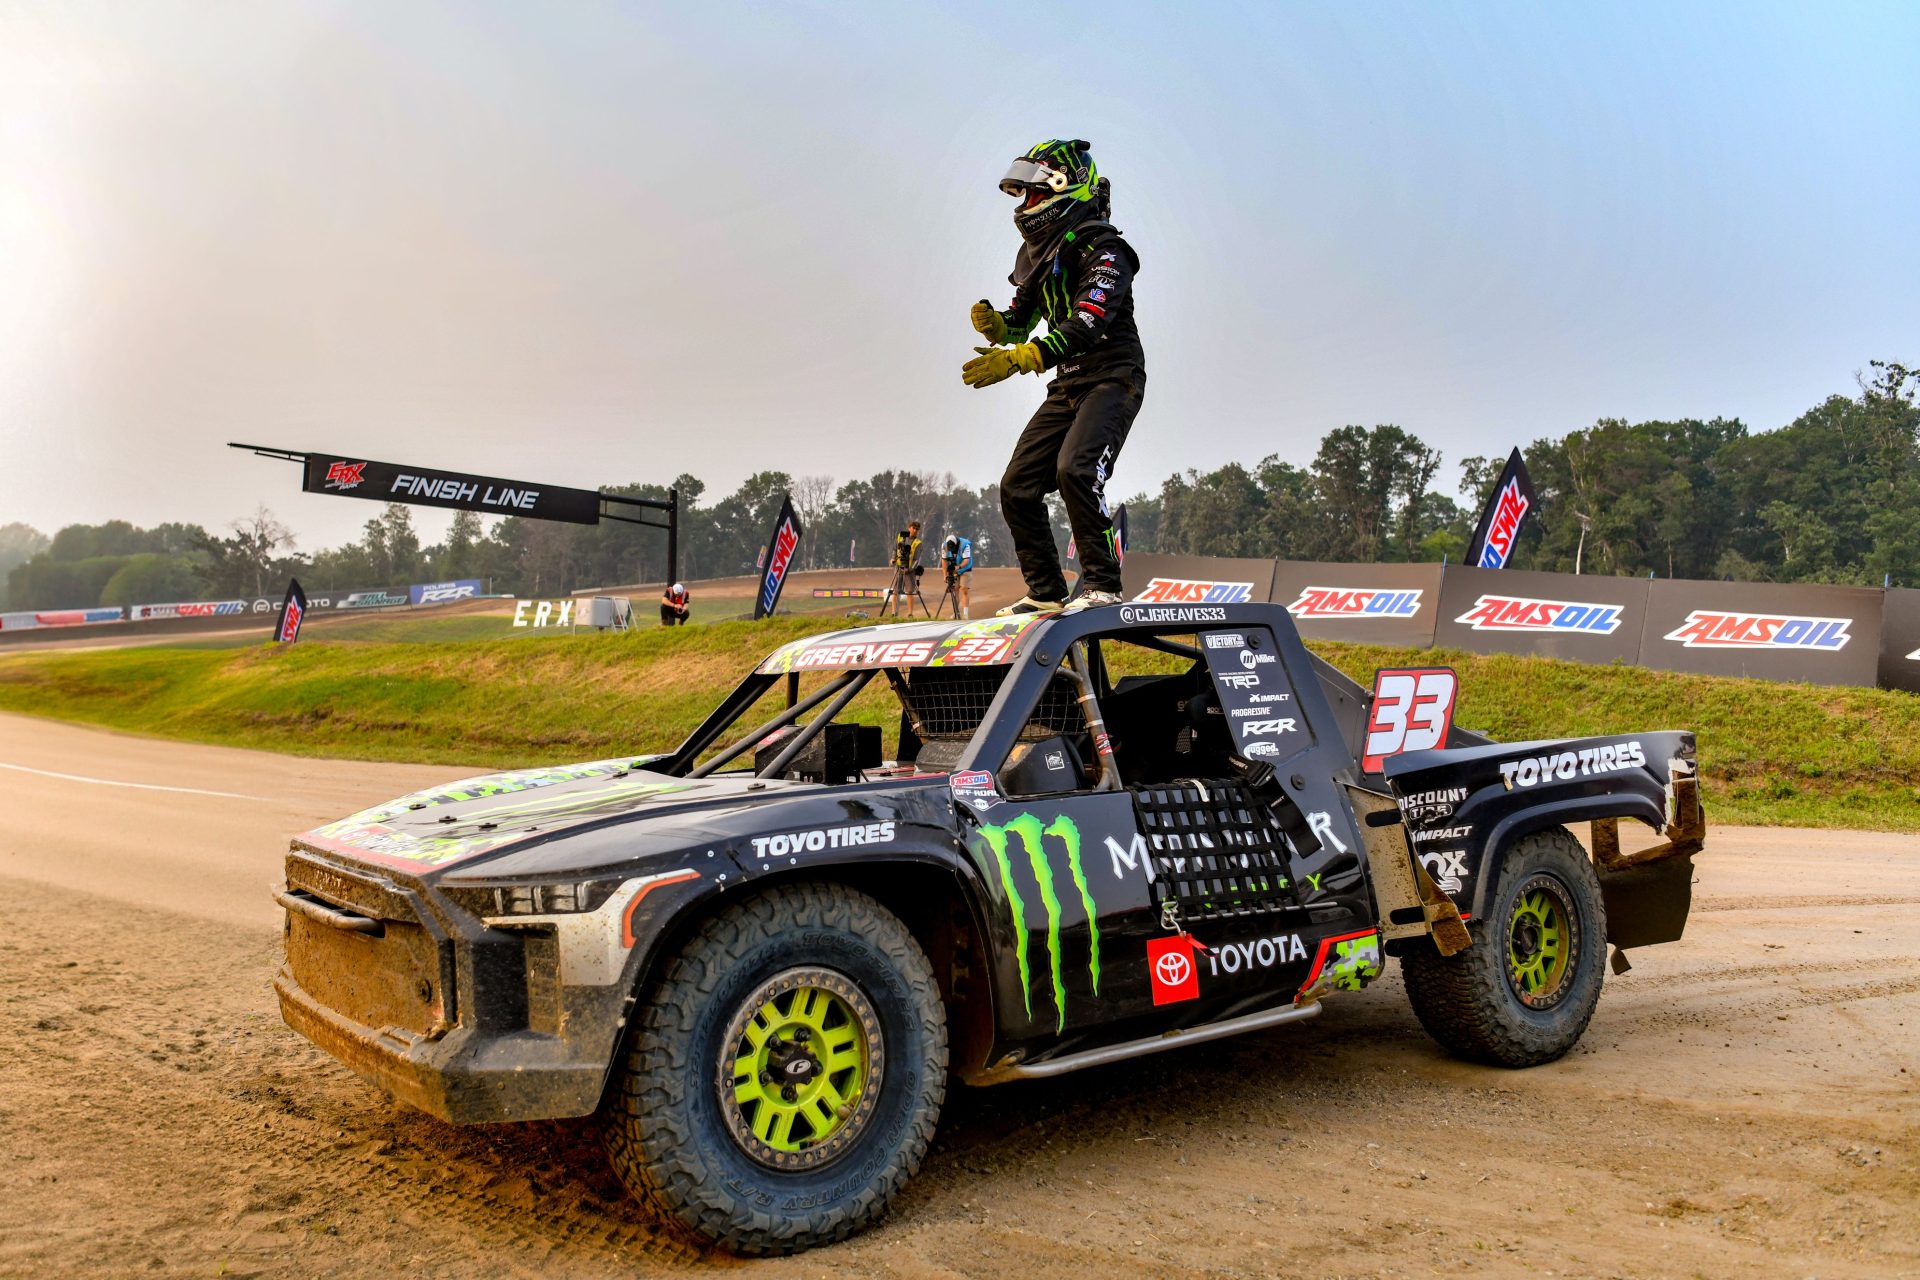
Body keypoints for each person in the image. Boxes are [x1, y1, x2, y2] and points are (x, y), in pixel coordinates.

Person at [962, 138, 1144, 614]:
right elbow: (1022, 319)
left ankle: (1103, 586)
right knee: (1017, 485)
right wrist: (999, 326)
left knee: (1076, 469)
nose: (1027, 203)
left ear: (1067, 188)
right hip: (1067, 384)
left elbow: (1086, 323)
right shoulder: (1039, 253)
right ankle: (1045, 591)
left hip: (1113, 377)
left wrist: (1018, 359)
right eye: (1024, 194)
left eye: (1035, 192)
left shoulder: (1108, 250)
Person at [941, 532, 974, 619]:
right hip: (954, 570)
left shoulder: (965, 545)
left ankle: (965, 615)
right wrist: (945, 575)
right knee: (955, 590)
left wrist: (959, 567)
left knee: (964, 590)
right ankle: (956, 613)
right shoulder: (944, 546)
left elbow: (966, 560)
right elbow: (944, 561)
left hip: (965, 569)